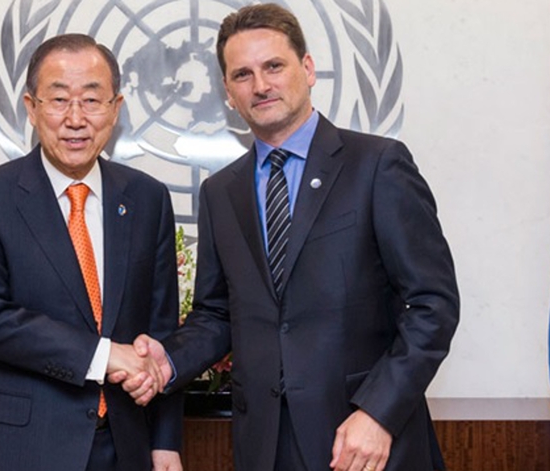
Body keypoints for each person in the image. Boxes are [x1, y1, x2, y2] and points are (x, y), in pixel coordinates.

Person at [123, 4, 459, 471]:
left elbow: (432, 305)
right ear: (228, 92)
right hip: (264, 445)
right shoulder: (221, 192)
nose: (260, 85)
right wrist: (168, 363)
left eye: (274, 66)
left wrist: (379, 412)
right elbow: (217, 313)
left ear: (307, 68)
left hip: (365, 441)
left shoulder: (377, 165)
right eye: (243, 74)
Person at [0, 33, 182, 471]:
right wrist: (104, 354)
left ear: (116, 108)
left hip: (126, 446)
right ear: (31, 108)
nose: (76, 119)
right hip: (24, 447)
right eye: (58, 100)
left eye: (92, 100)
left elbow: (161, 328)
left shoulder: (148, 198)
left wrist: (165, 441)